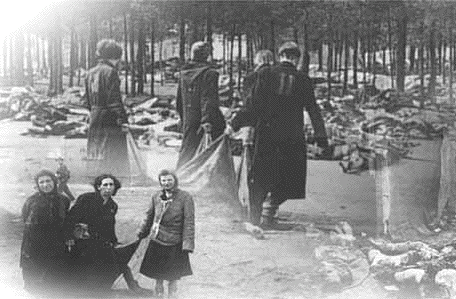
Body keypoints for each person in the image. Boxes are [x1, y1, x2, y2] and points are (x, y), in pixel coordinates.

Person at [231, 42, 329, 229]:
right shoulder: (303, 80)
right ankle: (269, 214)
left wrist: (234, 124)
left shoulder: (265, 74)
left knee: (260, 177)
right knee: (287, 178)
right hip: (292, 137)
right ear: (297, 59)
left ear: (280, 55)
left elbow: (253, 105)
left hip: (266, 134)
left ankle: (255, 218)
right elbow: (314, 111)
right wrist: (321, 138)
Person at [138, 170, 195, 298]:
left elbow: (189, 222)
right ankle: (158, 288)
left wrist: (188, 244)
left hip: (175, 239)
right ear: (160, 182)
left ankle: (172, 290)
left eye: (169, 180)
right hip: (157, 237)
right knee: (158, 269)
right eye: (163, 180)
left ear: (175, 180)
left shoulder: (185, 197)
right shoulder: (156, 196)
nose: (166, 183)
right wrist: (142, 232)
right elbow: (149, 216)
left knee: (173, 271)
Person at [65, 174, 123, 297]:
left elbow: (110, 226)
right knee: (82, 272)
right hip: (83, 242)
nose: (108, 187)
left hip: (100, 242)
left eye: (111, 185)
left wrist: (114, 241)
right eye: (105, 184)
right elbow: (71, 218)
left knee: (109, 271)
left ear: (115, 187)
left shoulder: (113, 205)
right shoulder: (86, 199)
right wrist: (69, 236)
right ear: (98, 187)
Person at [175, 41, 226, 170]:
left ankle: (180, 177)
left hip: (189, 118)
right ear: (207, 55)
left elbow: (179, 100)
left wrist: (183, 118)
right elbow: (208, 99)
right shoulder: (210, 73)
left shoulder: (184, 73)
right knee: (212, 154)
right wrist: (207, 120)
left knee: (188, 150)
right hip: (207, 119)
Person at [20, 170, 70, 297]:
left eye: (48, 181)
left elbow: (66, 221)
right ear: (37, 185)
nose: (45, 184)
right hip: (35, 247)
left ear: (54, 182)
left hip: (56, 245)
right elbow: (26, 220)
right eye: (41, 182)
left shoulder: (63, 200)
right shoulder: (31, 201)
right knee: (36, 284)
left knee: (55, 282)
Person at [84, 39, 129, 176]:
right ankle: (114, 177)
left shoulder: (90, 73)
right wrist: (122, 119)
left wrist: (92, 112)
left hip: (95, 115)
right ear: (115, 57)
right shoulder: (111, 72)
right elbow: (114, 99)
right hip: (109, 117)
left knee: (96, 148)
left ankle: (95, 176)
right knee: (112, 150)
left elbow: (87, 100)